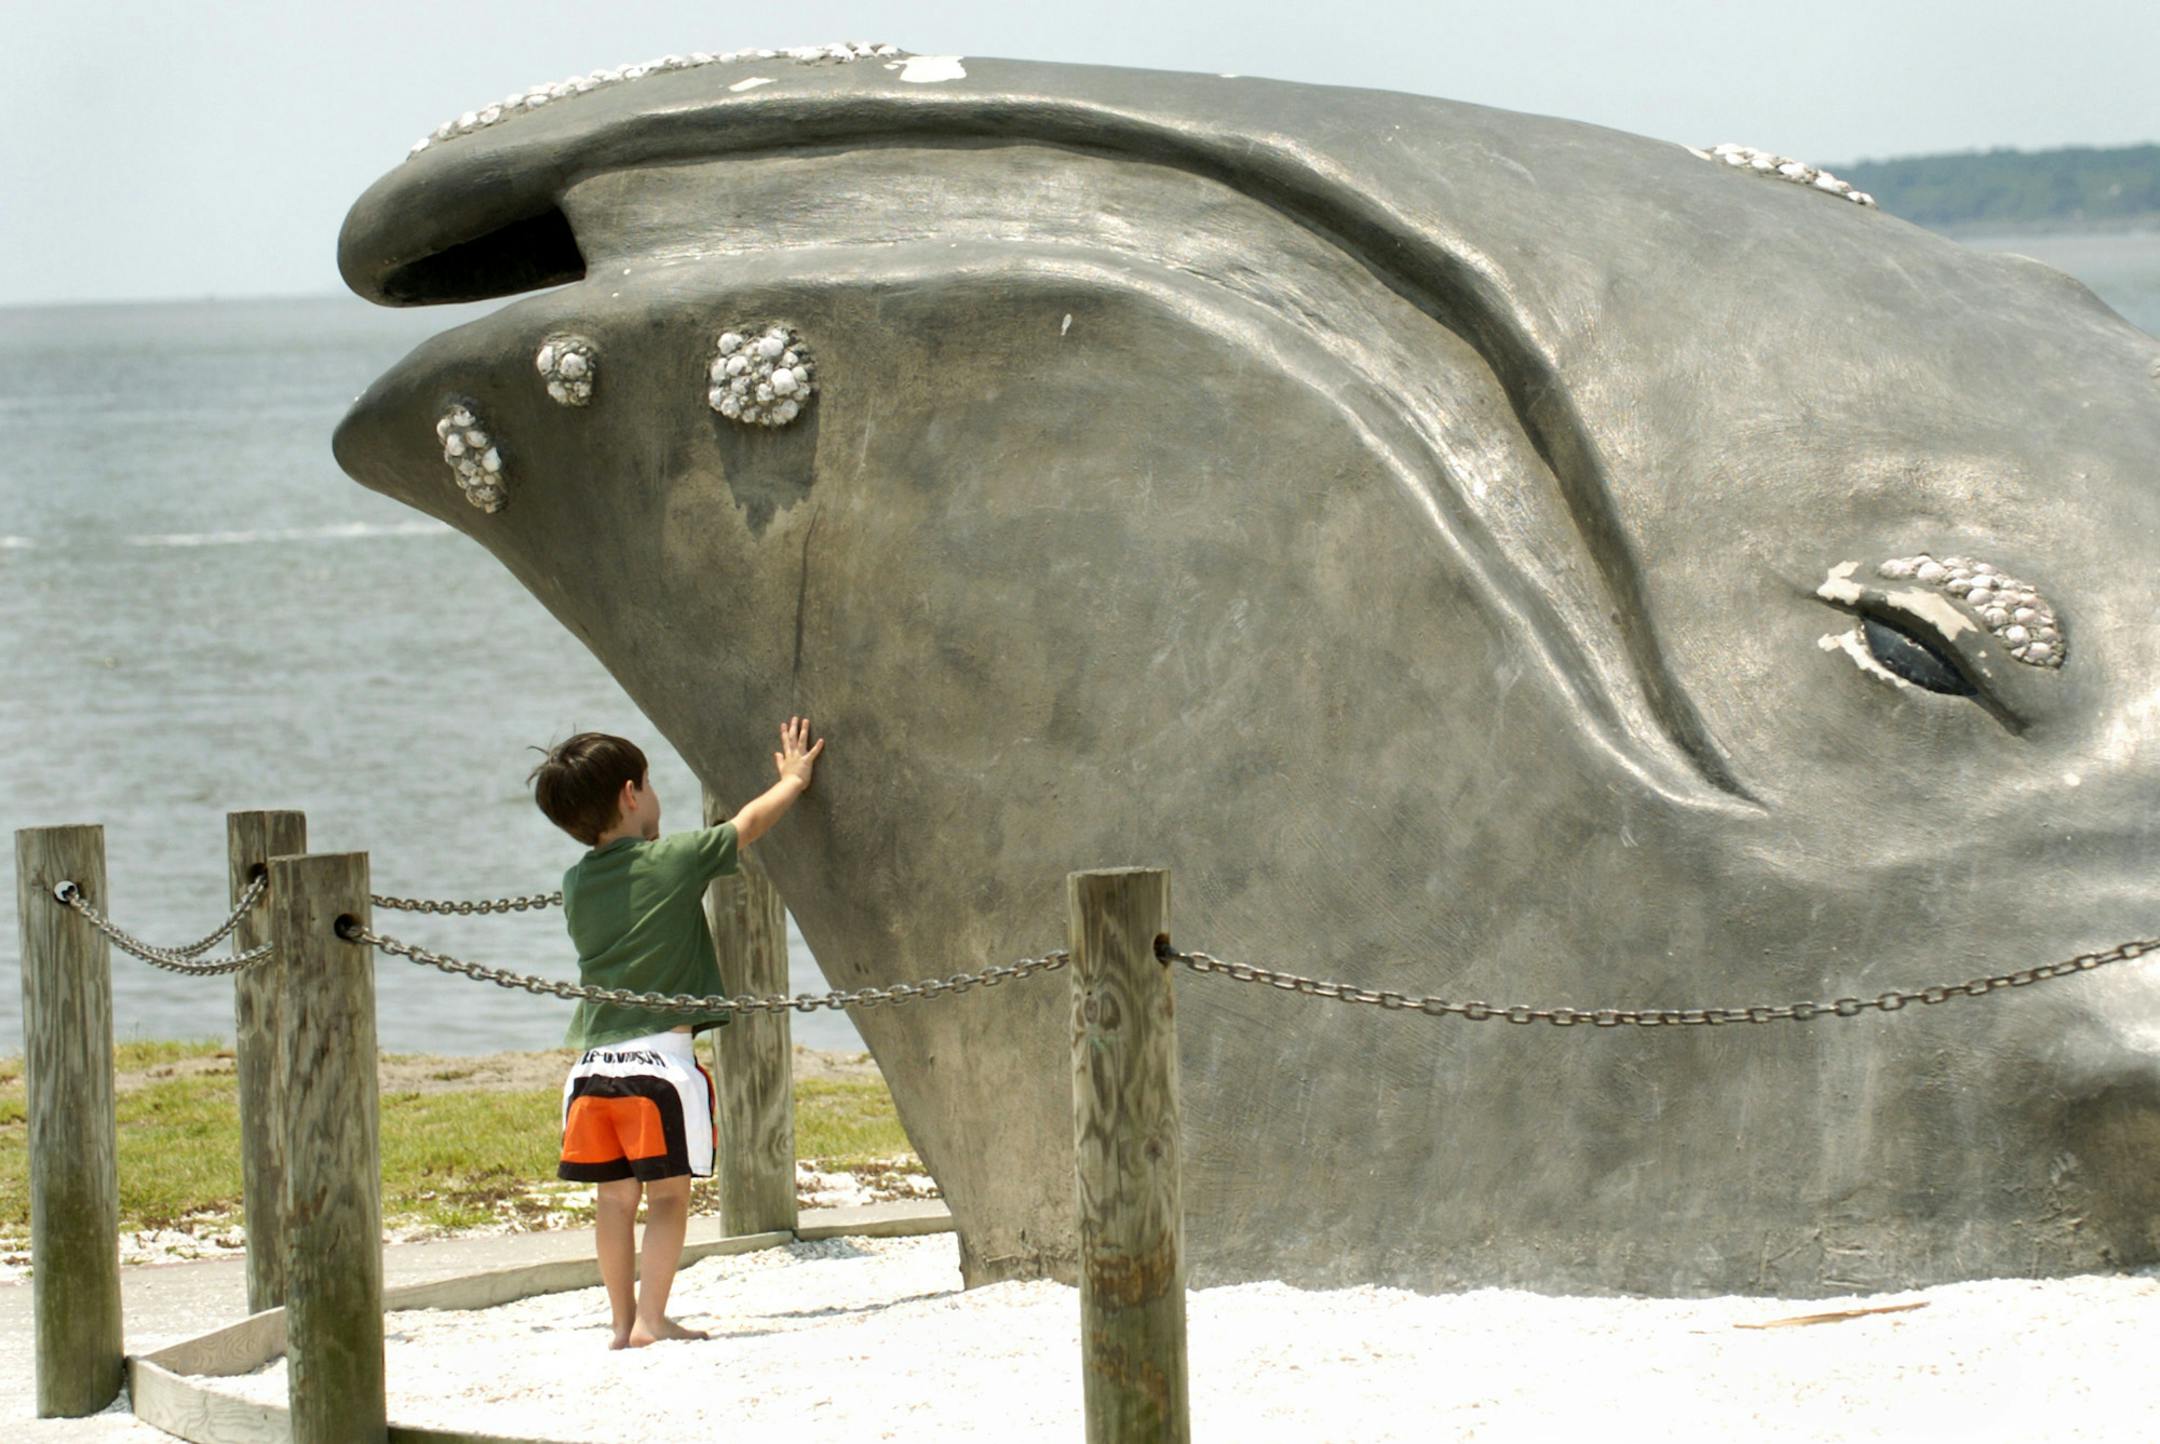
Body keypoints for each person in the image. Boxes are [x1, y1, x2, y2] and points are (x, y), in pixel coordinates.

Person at [527, 718, 824, 1349]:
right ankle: (653, 1320)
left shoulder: (576, 883)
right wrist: (794, 780)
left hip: (590, 1072)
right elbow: (746, 825)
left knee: (613, 1202)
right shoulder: (673, 859)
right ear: (633, 795)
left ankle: (619, 1321)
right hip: (658, 1068)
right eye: (652, 786)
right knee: (667, 1199)